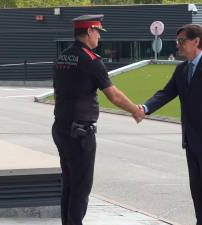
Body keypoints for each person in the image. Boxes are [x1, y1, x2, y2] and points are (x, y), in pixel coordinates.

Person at [52, 14, 144, 225]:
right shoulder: (90, 61)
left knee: (69, 182)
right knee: (81, 186)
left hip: (61, 127)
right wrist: (135, 111)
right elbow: (114, 96)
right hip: (80, 132)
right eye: (98, 32)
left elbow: (57, 93)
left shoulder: (62, 58)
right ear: (89, 32)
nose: (99, 38)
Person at [139, 24, 202, 225]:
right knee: (197, 189)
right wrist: (144, 108)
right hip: (191, 139)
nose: (178, 46)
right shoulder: (182, 69)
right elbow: (166, 93)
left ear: (196, 41)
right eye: (178, 42)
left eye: (182, 41)